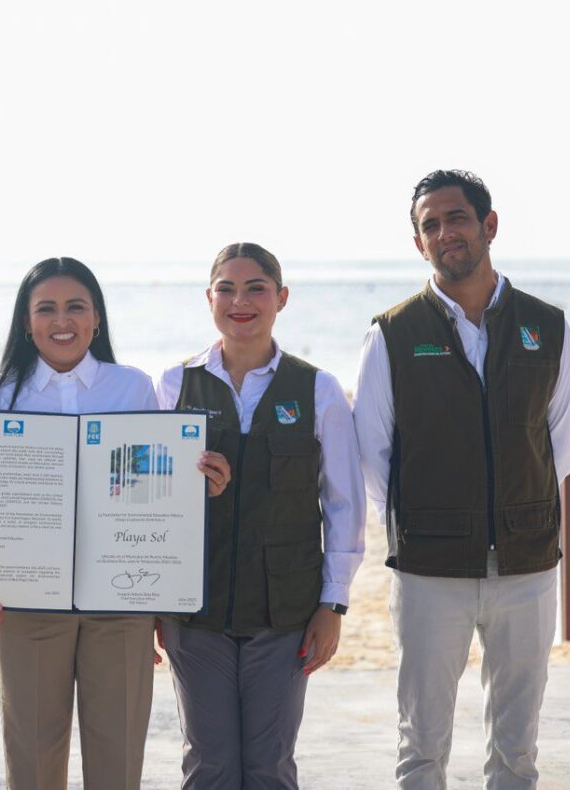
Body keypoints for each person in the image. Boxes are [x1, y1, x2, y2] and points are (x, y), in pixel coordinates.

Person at [353, 170, 570, 789]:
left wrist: (515, 513)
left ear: (489, 225)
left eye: (455, 217)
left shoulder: (548, 326)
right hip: (430, 570)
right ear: (418, 243)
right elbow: (374, 454)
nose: (444, 233)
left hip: (528, 565)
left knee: (517, 748)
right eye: (430, 225)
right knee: (422, 744)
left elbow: (559, 444)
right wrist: (423, 525)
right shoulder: (392, 333)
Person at [0, 256, 225, 790]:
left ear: (96, 318)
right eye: (46, 308)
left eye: (76, 307)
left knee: (117, 756)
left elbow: (150, 488)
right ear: (26, 322)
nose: (62, 320)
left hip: (120, 602)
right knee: (32, 759)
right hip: (28, 603)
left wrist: (199, 482)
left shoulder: (132, 387)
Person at [156, 242, 366, 789]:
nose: (240, 302)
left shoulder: (318, 389)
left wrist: (332, 604)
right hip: (194, 612)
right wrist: (150, 601)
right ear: (209, 299)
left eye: (256, 289)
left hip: (286, 613)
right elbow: (147, 498)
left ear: (282, 298)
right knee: (209, 763)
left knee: (269, 764)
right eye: (226, 289)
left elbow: (344, 504)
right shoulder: (174, 385)